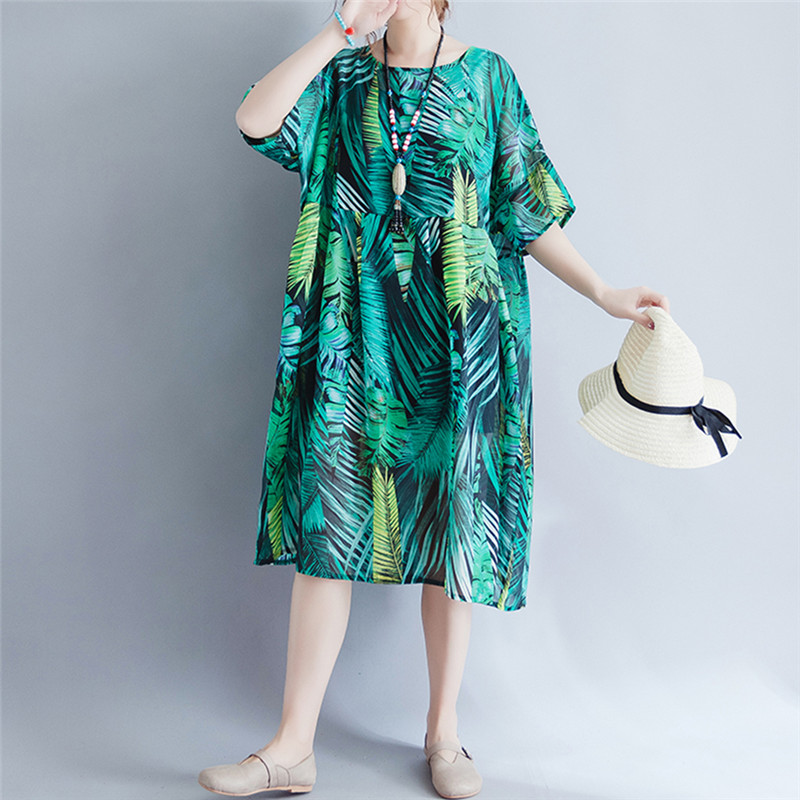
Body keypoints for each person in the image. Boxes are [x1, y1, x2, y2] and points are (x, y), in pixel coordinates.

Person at [198, 0, 670, 797]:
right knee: (330, 523)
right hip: (353, 336)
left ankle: (444, 735)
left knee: (455, 524)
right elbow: (255, 120)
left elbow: (524, 209)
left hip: (457, 338)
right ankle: (291, 747)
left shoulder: (486, 79)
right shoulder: (341, 77)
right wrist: (337, 34)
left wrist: (601, 291)